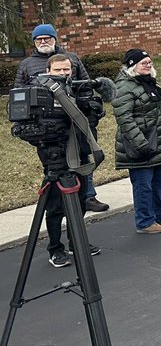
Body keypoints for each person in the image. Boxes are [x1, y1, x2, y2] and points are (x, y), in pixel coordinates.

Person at [10, 54, 104, 265]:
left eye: (66, 70)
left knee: (80, 201)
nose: (63, 74)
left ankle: (76, 242)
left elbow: (88, 124)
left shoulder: (78, 90)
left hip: (78, 154)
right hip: (54, 158)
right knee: (54, 206)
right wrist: (46, 138)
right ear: (48, 70)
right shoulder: (39, 91)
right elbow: (24, 129)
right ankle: (55, 248)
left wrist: (93, 111)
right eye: (58, 70)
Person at [15, 24, 108, 212]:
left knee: (83, 159)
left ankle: (88, 197)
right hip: (48, 126)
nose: (43, 42)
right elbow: (19, 92)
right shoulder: (27, 64)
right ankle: (57, 206)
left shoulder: (72, 59)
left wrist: (88, 110)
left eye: (47, 38)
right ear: (34, 42)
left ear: (55, 39)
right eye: (39, 39)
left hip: (75, 121)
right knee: (54, 167)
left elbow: (86, 85)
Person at [114, 49, 161, 235]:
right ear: (131, 66)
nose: (148, 65)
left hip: (158, 141)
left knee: (159, 179)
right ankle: (144, 221)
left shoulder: (150, 83)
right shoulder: (124, 87)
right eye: (144, 63)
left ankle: (159, 214)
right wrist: (140, 143)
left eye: (150, 62)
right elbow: (124, 119)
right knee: (143, 184)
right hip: (139, 145)